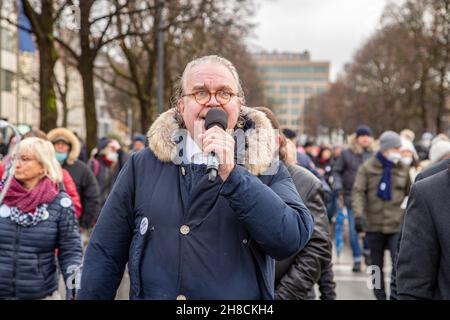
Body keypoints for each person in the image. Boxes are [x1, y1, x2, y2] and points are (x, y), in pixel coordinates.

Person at [78, 55, 314, 300]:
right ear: (181, 105)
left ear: (238, 105)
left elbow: (289, 239)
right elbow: (105, 252)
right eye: (200, 93)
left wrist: (233, 175)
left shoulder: (266, 166)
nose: (213, 103)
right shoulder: (143, 165)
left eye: (224, 93)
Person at [255, 107, 335, 300]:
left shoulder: (305, 182)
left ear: (277, 141)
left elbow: (317, 247)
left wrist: (283, 296)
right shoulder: (230, 180)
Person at [0, 137, 82, 300]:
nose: (17, 164)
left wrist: (75, 291)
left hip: (41, 294)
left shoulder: (60, 204)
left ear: (43, 166)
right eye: (15, 158)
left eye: (25, 159)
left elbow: (71, 253)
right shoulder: (2, 196)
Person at [352, 131, 411, 300]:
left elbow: (411, 194)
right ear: (386, 149)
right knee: (375, 267)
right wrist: (358, 215)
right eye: (396, 148)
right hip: (373, 225)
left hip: (396, 225)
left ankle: (395, 295)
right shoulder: (367, 167)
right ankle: (379, 296)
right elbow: (358, 192)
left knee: (399, 263)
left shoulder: (403, 168)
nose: (399, 152)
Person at [332, 125, 374, 272]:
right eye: (363, 136)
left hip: (370, 198)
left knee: (369, 228)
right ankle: (357, 258)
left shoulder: (373, 154)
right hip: (351, 196)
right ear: (357, 138)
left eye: (368, 136)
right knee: (353, 228)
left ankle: (368, 251)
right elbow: (336, 171)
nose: (366, 139)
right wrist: (338, 186)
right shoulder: (346, 154)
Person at [47, 128, 100, 231]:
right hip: (47, 225)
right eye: (57, 144)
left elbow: (92, 197)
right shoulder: (43, 167)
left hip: (73, 224)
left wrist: (84, 224)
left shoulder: (82, 169)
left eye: (64, 144)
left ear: (70, 148)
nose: (60, 147)